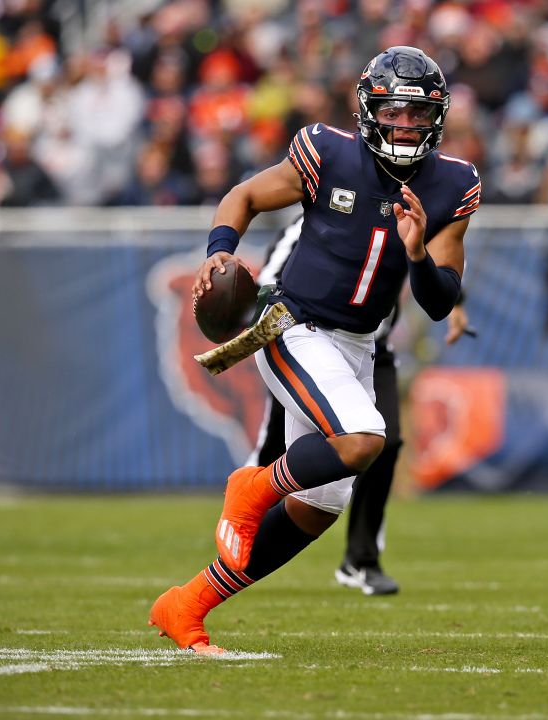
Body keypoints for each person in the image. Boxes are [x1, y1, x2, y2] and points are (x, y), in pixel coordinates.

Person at [150, 46, 480, 653]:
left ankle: (187, 606)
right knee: (363, 441)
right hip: (293, 327)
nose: (405, 125)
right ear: (369, 110)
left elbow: (440, 298)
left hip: (358, 343)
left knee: (321, 504)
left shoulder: (454, 184)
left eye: (417, 114)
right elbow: (242, 197)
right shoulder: (326, 153)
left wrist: (416, 254)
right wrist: (220, 252)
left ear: (436, 117)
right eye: (394, 111)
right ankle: (250, 489)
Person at [250, 217, 471, 597]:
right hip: (309, 343)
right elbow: (267, 280)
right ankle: (246, 522)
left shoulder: (396, 213)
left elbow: (433, 254)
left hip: (371, 346)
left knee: (384, 441)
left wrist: (457, 304)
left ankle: (362, 559)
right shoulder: (315, 217)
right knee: (276, 444)